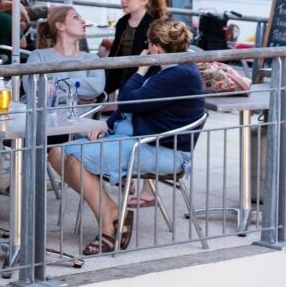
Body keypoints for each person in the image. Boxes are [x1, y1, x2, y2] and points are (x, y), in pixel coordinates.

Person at [49, 18, 204, 255]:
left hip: (163, 151)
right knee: (57, 154)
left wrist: (140, 69)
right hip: (137, 141)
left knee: (73, 158)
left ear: (154, 47)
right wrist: (107, 126)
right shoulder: (168, 65)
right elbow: (128, 109)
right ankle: (111, 210)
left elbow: (129, 100)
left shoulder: (178, 74)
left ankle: (108, 225)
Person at [22, 6, 105, 106]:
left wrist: (55, 82)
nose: (83, 21)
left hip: (81, 120)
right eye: (76, 17)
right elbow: (32, 88)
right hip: (45, 120)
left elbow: (97, 87)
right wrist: (73, 98)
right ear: (60, 26)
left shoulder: (91, 59)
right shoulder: (38, 56)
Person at [102, 0, 167, 96]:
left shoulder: (153, 25)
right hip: (124, 78)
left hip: (145, 80)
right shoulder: (122, 22)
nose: (123, 1)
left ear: (144, 0)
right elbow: (116, 52)